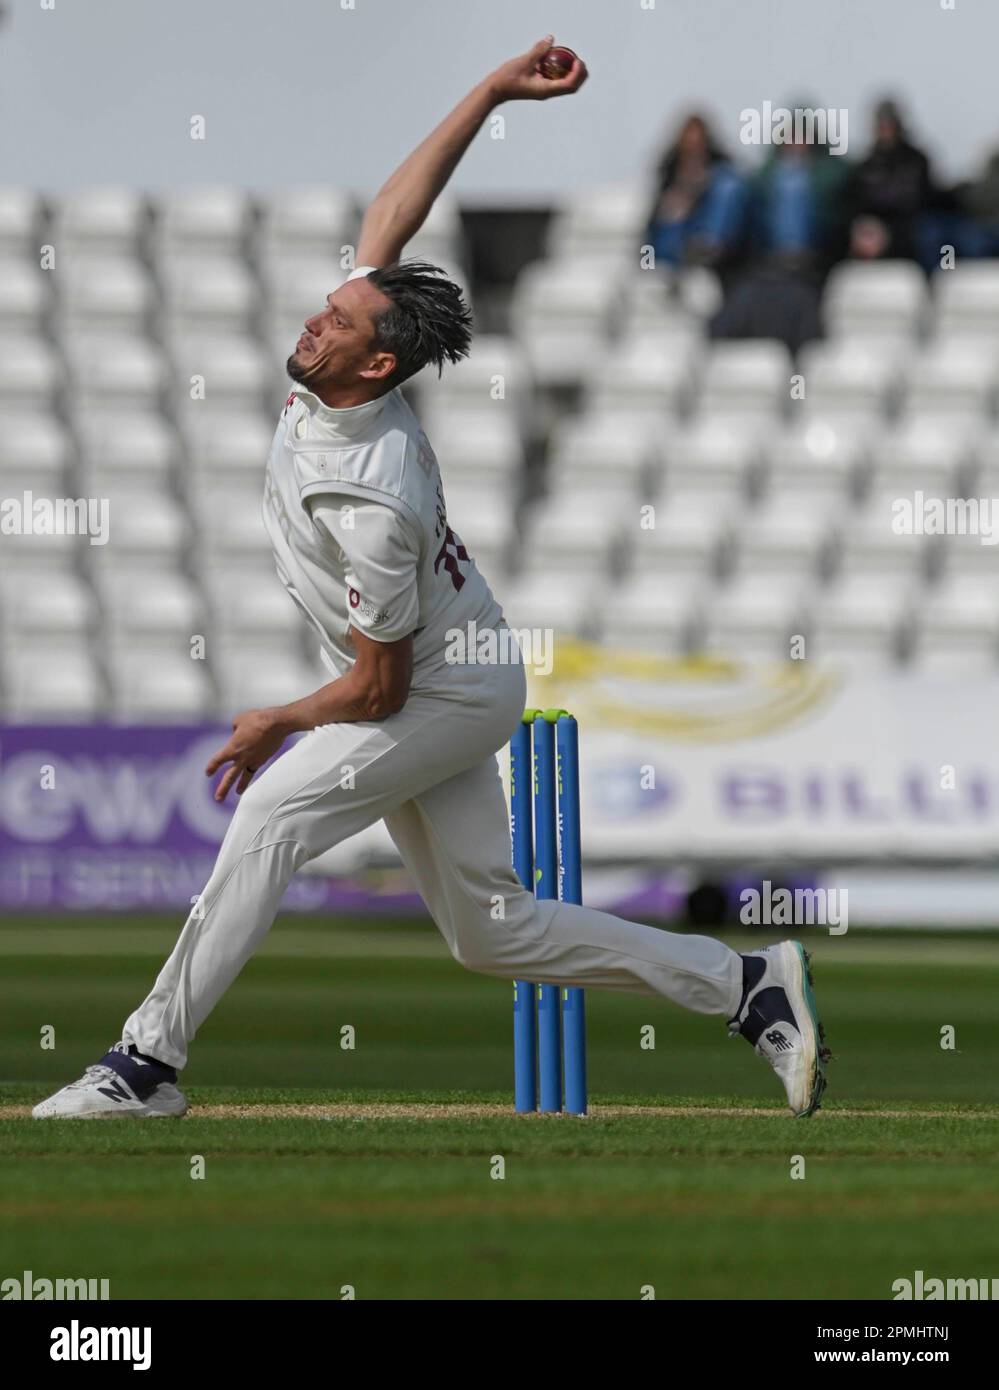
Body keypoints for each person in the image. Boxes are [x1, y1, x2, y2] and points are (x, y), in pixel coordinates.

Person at [33, 38, 829, 1123]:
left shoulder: (377, 490)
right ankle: (745, 986)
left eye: (338, 324)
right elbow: (394, 211)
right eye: (330, 307)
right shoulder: (341, 369)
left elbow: (375, 691)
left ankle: (143, 1065)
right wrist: (494, 92)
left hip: (442, 687)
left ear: (375, 365)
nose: (316, 319)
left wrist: (279, 718)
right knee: (490, 933)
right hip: (448, 669)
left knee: (270, 814)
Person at [646, 113, 748, 271]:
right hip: (677, 238)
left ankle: (705, 247)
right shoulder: (668, 174)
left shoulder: (721, 177)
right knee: (672, 211)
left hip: (705, 236)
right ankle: (667, 265)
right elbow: (654, 223)